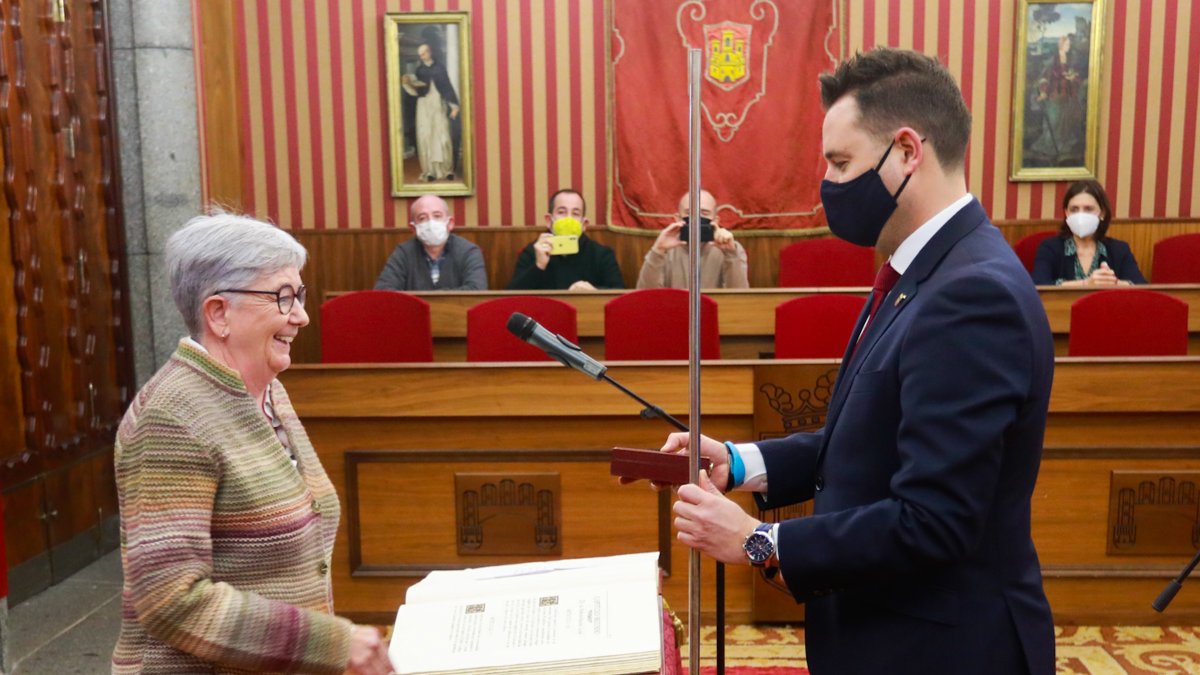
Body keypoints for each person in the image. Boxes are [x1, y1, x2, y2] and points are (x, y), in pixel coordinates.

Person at [640, 48, 1056, 674]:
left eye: (841, 163)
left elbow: (933, 521)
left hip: (941, 650)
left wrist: (757, 542)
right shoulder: (922, 270)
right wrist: (740, 463)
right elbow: (871, 438)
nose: (829, 186)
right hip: (886, 634)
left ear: (908, 151)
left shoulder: (973, 294)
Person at [112, 213, 392, 675]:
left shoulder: (264, 390)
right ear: (219, 313)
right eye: (283, 297)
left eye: (298, 295)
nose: (301, 315)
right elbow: (169, 599)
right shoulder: (172, 417)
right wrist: (333, 642)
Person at [1031, 179, 1145, 286]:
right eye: (1074, 209)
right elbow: (1039, 285)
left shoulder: (1119, 249)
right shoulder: (1050, 248)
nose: (1081, 215)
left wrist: (1112, 282)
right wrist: (1085, 284)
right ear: (1066, 213)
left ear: (1102, 213)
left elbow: (1141, 286)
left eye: (1088, 209)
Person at [507, 189, 624, 291]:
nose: (568, 219)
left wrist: (594, 292)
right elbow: (512, 298)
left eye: (575, 213)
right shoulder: (532, 252)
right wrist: (539, 266)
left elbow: (618, 294)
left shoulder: (602, 255)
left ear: (584, 224)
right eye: (561, 212)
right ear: (549, 220)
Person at [635, 189, 749, 289]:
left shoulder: (731, 249)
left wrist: (731, 255)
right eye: (689, 212)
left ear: (716, 220)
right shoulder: (665, 249)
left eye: (704, 213)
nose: (697, 218)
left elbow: (740, 298)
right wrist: (657, 251)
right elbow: (645, 296)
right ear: (677, 219)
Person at [375, 194, 487, 290]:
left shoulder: (469, 252)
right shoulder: (403, 253)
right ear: (413, 229)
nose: (431, 223)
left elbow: (477, 290)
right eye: (422, 218)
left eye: (437, 216)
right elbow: (384, 291)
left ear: (450, 223)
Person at [403, 42, 459, 181]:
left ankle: (447, 170)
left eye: (423, 54)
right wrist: (408, 84)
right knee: (426, 136)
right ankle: (430, 172)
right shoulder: (419, 70)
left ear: (429, 52)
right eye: (420, 55)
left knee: (442, 136)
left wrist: (454, 106)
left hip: (438, 104)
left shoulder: (440, 68)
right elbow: (416, 91)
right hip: (424, 105)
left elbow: (447, 86)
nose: (421, 57)